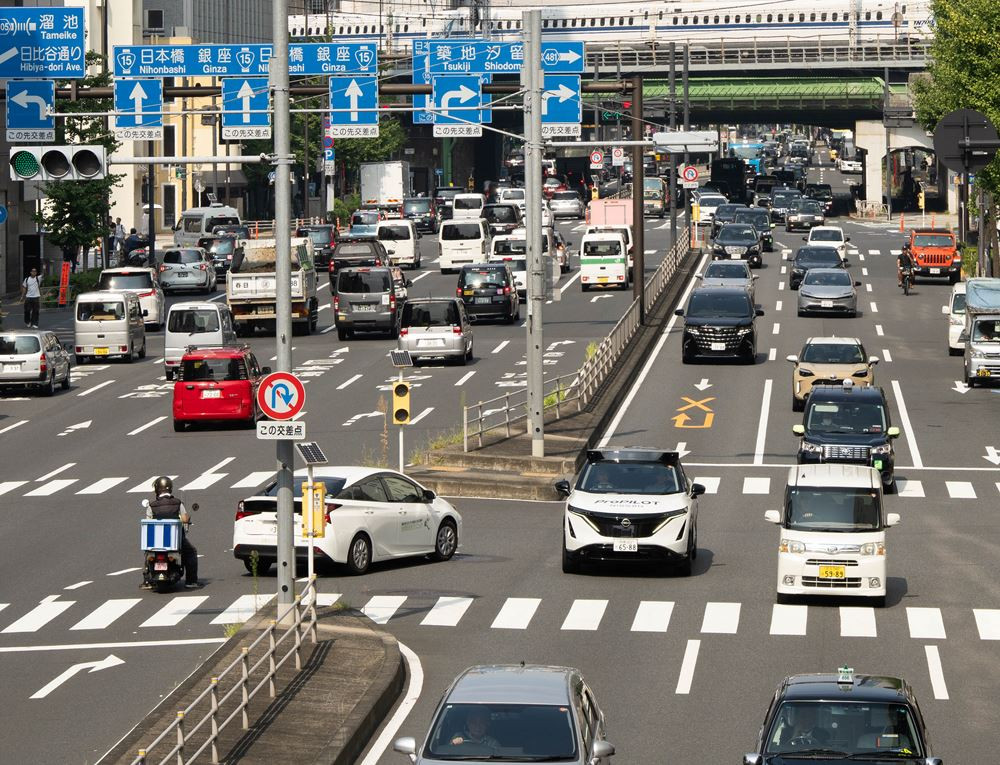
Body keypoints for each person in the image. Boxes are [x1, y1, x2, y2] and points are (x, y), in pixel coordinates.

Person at [143, 476, 201, 589]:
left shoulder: (151, 505)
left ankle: (146, 581)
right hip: (175, 540)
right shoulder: (178, 503)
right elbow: (184, 519)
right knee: (191, 552)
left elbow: (148, 521)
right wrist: (187, 518)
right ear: (170, 488)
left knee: (148, 552)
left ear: (157, 489)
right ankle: (191, 581)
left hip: (156, 542)